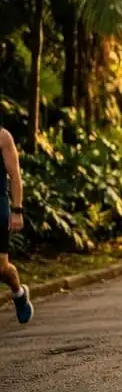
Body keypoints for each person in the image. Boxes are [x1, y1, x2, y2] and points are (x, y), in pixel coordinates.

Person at [0, 128, 33, 324]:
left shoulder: (3, 137)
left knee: (1, 269)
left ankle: (19, 293)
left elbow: (15, 176)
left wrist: (17, 210)